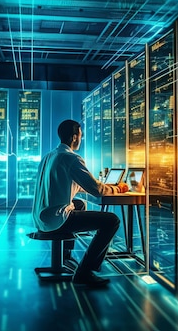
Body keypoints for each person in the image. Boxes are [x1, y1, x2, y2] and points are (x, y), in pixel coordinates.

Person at [32, 119, 129, 287]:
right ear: (74, 137)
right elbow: (97, 190)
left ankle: (67, 257)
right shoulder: (71, 158)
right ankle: (84, 272)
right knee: (112, 221)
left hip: (41, 217)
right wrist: (118, 189)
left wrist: (105, 186)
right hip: (56, 220)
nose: (81, 140)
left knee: (79, 204)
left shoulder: (50, 156)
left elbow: (74, 185)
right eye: (80, 136)